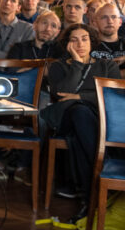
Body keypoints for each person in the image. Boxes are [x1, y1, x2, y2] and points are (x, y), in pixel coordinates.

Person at [43, 23, 120, 219]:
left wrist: (80, 97)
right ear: (67, 44)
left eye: (84, 39)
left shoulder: (107, 65)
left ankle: (89, 200)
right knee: (79, 113)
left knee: (79, 135)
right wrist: (77, 63)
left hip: (99, 122)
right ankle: (103, 167)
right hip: (66, 121)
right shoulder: (58, 67)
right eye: (74, 39)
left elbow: (114, 95)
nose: (80, 43)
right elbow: (61, 93)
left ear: (92, 42)